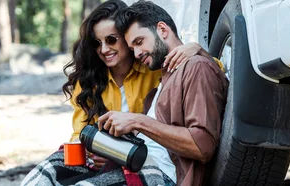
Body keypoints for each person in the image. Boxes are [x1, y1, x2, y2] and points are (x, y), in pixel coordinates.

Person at [21, 0, 214, 185]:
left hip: (136, 157)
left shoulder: (152, 67)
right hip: (100, 155)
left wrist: (196, 49)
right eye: (97, 43)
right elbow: (79, 133)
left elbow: (209, 71)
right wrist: (92, 151)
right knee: (43, 176)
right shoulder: (88, 79)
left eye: (111, 40)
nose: (104, 49)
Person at [98, 1, 229, 185]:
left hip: (160, 177)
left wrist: (138, 121)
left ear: (162, 30)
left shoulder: (195, 67)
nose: (136, 53)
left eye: (139, 42)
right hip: (135, 165)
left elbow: (203, 146)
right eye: (131, 48)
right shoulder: (162, 83)